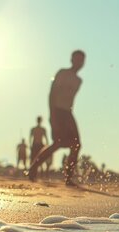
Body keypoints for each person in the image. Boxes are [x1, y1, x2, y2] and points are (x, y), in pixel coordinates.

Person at [27, 50, 86, 186]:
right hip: (57, 111)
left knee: (76, 145)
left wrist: (69, 119)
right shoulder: (62, 73)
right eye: (77, 59)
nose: (79, 62)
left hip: (68, 113)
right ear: (71, 59)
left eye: (82, 60)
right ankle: (34, 168)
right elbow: (52, 93)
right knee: (58, 142)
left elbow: (71, 100)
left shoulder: (79, 81)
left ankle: (68, 177)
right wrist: (52, 115)